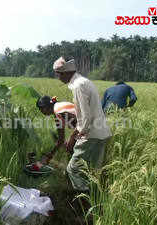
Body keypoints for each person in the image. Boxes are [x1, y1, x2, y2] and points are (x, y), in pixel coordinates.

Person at [53, 56, 112, 193]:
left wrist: (74, 137)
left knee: (72, 169)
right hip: (101, 133)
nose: (58, 78)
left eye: (59, 74)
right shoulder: (83, 82)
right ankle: (96, 201)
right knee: (93, 172)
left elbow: (86, 117)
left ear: (66, 72)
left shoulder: (79, 86)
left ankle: (84, 199)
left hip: (91, 135)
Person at [36, 95, 77, 162]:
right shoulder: (57, 108)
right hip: (87, 125)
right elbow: (61, 139)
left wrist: (72, 138)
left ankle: (75, 168)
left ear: (46, 107)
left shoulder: (58, 111)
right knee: (69, 146)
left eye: (41, 108)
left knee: (70, 147)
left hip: (89, 126)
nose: (41, 111)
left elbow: (81, 123)